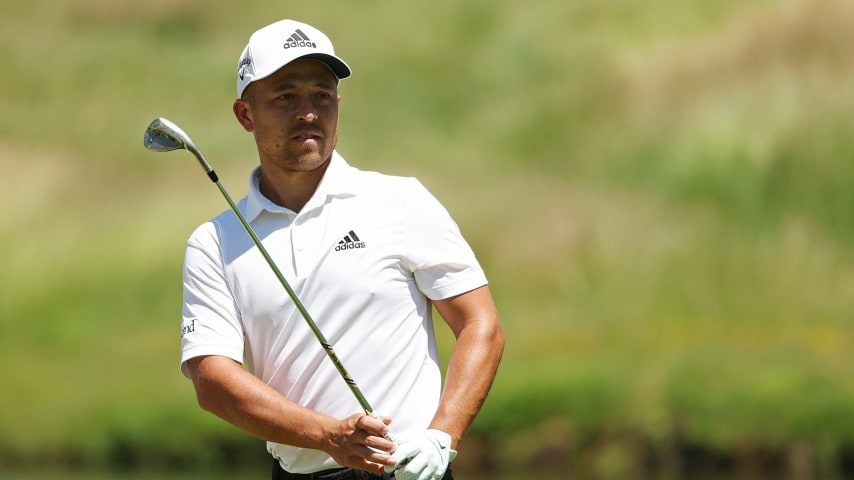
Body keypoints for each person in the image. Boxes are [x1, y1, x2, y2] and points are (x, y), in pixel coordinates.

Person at [180, 18, 505, 480]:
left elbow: (481, 323)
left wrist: (441, 436)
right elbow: (213, 381)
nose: (308, 111)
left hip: (410, 471)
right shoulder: (214, 243)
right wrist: (328, 436)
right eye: (286, 96)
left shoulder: (400, 201)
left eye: (322, 95)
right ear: (245, 115)